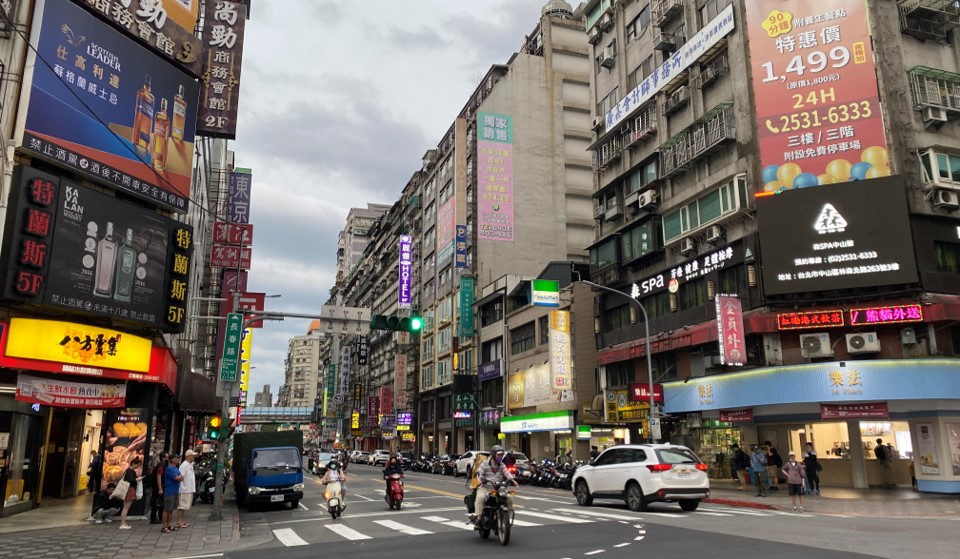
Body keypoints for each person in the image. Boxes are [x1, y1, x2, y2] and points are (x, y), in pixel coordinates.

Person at [471, 445, 517, 525]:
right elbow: (478, 472)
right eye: (498, 455)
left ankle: (508, 519)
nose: (500, 457)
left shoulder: (502, 465)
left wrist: (512, 479)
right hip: (485, 487)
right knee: (480, 497)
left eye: (502, 455)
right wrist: (478, 479)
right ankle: (478, 517)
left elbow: (507, 472)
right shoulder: (485, 464)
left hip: (498, 488)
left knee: (509, 498)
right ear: (493, 454)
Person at [118, 457, 143, 530]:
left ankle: (123, 523)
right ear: (134, 464)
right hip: (129, 489)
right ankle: (122, 523)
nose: (137, 467)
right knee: (126, 507)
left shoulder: (128, 471)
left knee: (125, 507)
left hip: (128, 489)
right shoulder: (130, 471)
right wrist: (137, 479)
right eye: (137, 465)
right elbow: (130, 480)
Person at [162, 455, 184, 534]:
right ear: (172, 460)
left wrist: (180, 477)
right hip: (169, 491)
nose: (178, 460)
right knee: (167, 509)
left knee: (171, 509)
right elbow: (177, 478)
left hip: (175, 491)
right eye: (176, 458)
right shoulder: (170, 468)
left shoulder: (175, 468)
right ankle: (164, 526)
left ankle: (169, 524)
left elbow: (181, 477)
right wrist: (179, 477)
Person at [177, 449, 197, 528]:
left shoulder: (190, 464)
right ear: (188, 456)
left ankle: (182, 520)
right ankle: (179, 521)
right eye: (192, 456)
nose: (194, 457)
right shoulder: (184, 465)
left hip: (189, 488)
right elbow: (181, 476)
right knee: (182, 506)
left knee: (185, 506)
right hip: (184, 489)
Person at [149, 452, 169, 524]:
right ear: (163, 458)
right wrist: (160, 488)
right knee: (156, 502)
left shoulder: (162, 465)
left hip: (159, 486)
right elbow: (158, 478)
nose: (167, 458)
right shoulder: (160, 466)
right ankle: (153, 518)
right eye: (166, 457)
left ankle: (160, 517)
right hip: (158, 487)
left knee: (159, 502)